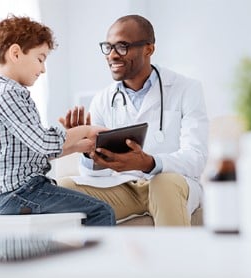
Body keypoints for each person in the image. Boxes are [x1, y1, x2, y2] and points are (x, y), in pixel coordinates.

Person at [58, 15, 208, 226]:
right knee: (63, 189)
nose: (112, 55)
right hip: (125, 187)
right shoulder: (102, 99)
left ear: (148, 49)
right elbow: (92, 174)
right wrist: (85, 147)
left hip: (172, 182)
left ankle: (176, 259)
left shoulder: (187, 89)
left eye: (122, 46)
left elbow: (196, 158)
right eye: (108, 47)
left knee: (163, 184)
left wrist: (149, 163)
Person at [0, 15, 115, 226]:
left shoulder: (8, 92)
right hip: (18, 192)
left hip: (14, 192)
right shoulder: (9, 94)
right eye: (40, 59)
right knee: (101, 211)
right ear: (16, 53)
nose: (43, 69)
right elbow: (43, 143)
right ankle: (95, 260)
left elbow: (33, 152)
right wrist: (87, 129)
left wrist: (80, 146)